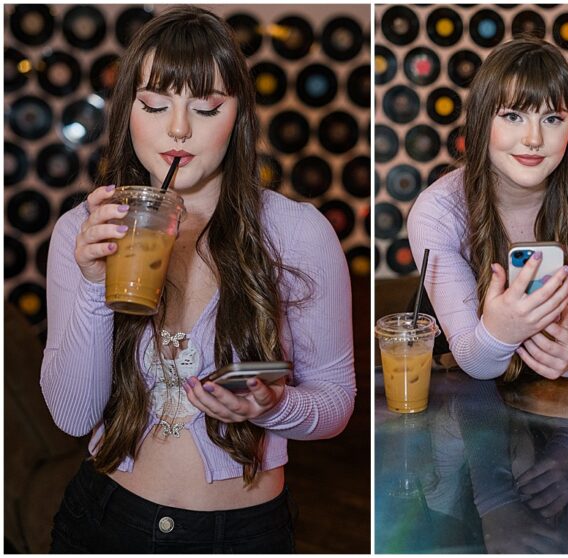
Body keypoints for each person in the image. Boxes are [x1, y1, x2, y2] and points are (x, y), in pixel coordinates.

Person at [40, 6, 355, 552]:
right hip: (104, 520)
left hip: (241, 533)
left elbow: (335, 402)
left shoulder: (297, 233)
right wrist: (95, 284)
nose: (178, 128)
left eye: (206, 108)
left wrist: (273, 405)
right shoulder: (84, 229)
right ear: (127, 112)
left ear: (238, 117)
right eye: (155, 104)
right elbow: (72, 416)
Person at [407, 37, 568, 382]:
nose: (534, 138)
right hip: (460, 404)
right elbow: (472, 359)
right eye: (512, 116)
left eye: (553, 118)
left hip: (558, 407)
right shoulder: (436, 211)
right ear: (481, 122)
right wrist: (500, 332)